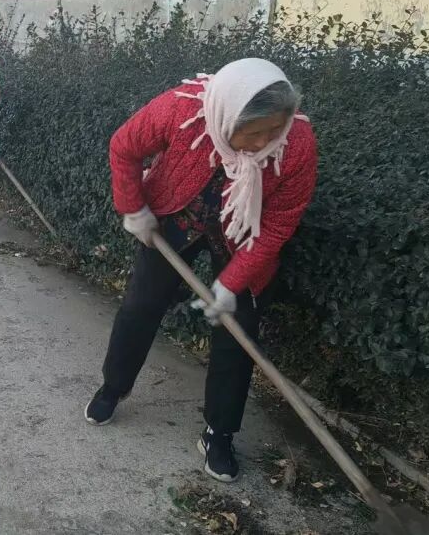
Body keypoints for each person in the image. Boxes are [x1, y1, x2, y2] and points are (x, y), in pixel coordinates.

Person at [84, 58, 318, 483]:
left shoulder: (296, 142)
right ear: (227, 119)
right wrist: (132, 207)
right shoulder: (182, 109)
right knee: (141, 305)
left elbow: (281, 221)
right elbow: (124, 146)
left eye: (274, 129)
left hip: (245, 230)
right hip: (177, 214)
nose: (264, 142)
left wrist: (232, 282)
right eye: (254, 132)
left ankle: (219, 432)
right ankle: (113, 387)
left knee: (238, 328)